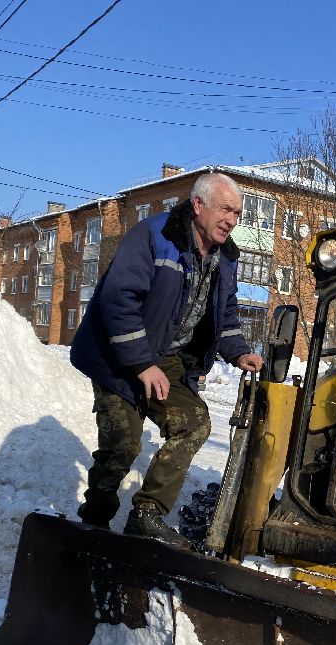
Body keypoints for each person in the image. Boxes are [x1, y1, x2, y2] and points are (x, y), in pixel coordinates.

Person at [70, 172, 264, 544]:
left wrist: (239, 352)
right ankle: (94, 518)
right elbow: (118, 300)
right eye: (225, 210)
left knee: (194, 423)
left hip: (168, 359)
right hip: (118, 356)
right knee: (123, 445)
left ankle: (147, 513)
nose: (232, 220)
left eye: (237, 214)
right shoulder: (154, 237)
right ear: (198, 205)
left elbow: (225, 313)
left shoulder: (224, 259)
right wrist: (142, 364)